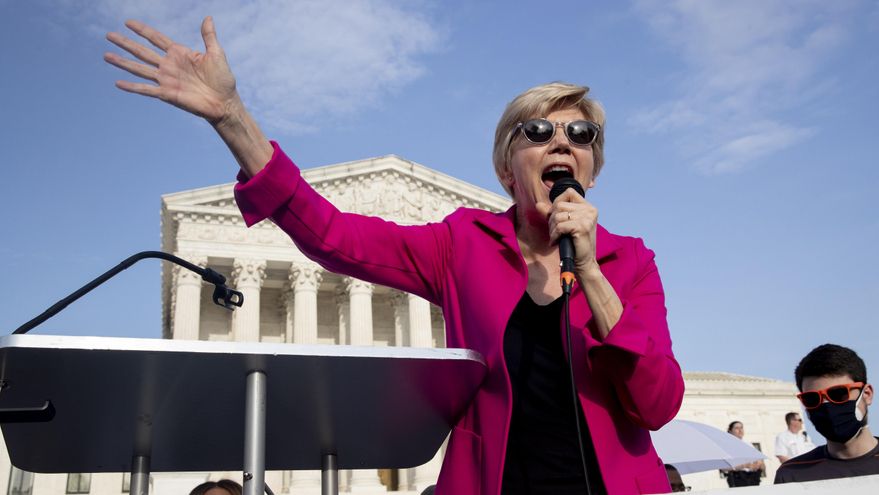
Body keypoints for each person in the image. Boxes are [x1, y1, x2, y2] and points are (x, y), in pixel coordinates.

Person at [105, 17, 684, 495]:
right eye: (539, 130)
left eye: (581, 134)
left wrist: (587, 270)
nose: (563, 141)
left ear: (593, 167)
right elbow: (330, 234)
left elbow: (657, 404)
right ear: (508, 170)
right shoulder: (462, 246)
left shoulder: (630, 263)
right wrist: (233, 118)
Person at [775, 344, 879, 484]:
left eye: (838, 394)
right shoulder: (791, 475)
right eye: (812, 399)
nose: (827, 407)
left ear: (867, 394)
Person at [722, 421, 764, 487]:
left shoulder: (748, 444)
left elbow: (759, 460)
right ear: (730, 431)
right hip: (737, 478)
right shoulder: (726, 446)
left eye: (741, 428)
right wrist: (743, 465)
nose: (740, 430)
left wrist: (759, 464)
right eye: (737, 428)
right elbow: (723, 467)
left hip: (753, 477)